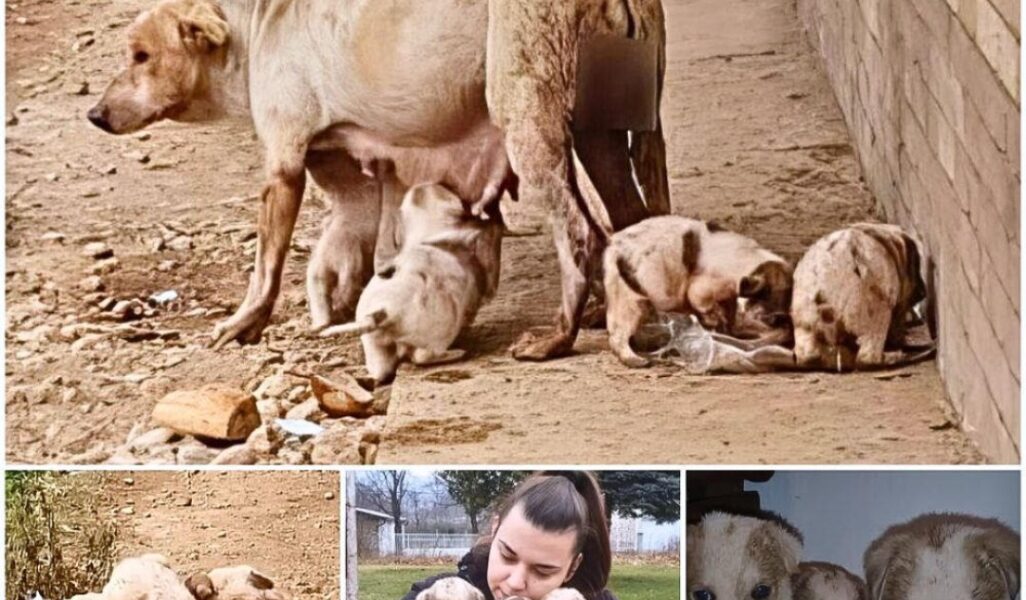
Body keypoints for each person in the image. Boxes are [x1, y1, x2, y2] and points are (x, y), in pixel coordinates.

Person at [402, 471, 617, 600]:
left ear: (572, 568)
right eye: (507, 555)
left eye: (543, 571)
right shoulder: (437, 594)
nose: (515, 583)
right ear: (495, 529)